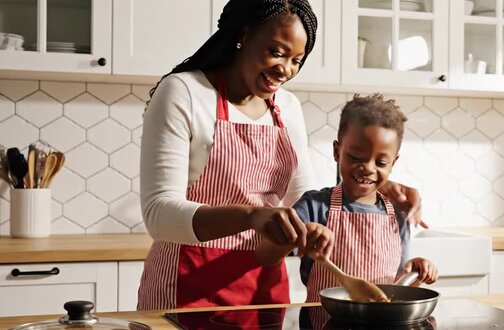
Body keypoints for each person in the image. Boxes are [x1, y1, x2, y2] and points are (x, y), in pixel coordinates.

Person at [137, 0, 425, 311]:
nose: (285, 69)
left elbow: (301, 199)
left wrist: (369, 191)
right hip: (188, 285)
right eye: (276, 52)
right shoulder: (184, 92)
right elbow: (159, 214)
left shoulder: (287, 107)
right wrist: (252, 215)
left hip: (265, 289)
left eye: (296, 60)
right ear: (243, 35)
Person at [293, 94, 438, 303]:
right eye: (356, 157)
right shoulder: (314, 206)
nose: (368, 168)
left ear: (393, 163)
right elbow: (274, 244)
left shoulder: (399, 214)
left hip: (380, 328)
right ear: (337, 151)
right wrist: (302, 232)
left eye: (380, 162)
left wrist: (416, 272)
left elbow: (397, 286)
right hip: (323, 327)